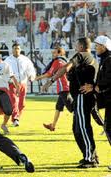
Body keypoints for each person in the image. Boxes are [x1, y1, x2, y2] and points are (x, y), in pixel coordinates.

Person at [42, 37, 99, 168]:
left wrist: (51, 81)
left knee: (83, 128)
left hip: (82, 97)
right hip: (84, 97)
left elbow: (66, 67)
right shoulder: (92, 58)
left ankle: (90, 159)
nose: (74, 48)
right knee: (77, 129)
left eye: (76, 45)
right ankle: (90, 155)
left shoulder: (81, 55)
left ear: (81, 46)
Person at [79, 35, 111, 170]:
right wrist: (94, 87)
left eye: (97, 45)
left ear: (103, 47)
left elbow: (108, 79)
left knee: (109, 129)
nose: (95, 48)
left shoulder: (109, 60)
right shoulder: (105, 60)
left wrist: (95, 87)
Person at [35, 47, 73, 131]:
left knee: (73, 109)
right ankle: (53, 125)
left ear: (60, 53)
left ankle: (81, 123)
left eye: (54, 53)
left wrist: (38, 78)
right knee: (58, 107)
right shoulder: (64, 61)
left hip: (64, 88)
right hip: (65, 87)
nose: (53, 55)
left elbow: (49, 74)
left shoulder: (57, 61)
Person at [4, 43, 36, 126]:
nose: (16, 50)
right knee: (14, 102)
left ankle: (17, 117)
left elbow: (31, 69)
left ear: (20, 49)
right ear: (12, 50)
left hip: (23, 83)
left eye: (18, 48)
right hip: (12, 84)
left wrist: (31, 76)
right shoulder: (7, 60)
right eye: (14, 48)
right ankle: (15, 119)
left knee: (22, 104)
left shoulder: (25, 59)